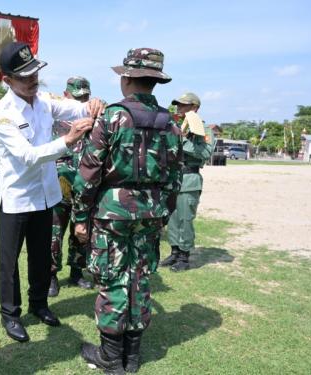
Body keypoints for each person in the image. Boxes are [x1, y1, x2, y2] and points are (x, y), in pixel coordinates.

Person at [73, 48, 182, 374]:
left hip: (112, 215)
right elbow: (175, 178)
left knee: (112, 281)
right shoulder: (170, 123)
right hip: (150, 215)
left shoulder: (111, 117)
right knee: (140, 278)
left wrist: (80, 217)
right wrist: (163, 214)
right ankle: (132, 358)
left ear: (127, 79)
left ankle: (110, 357)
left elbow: (88, 174)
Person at [0, 41, 103, 343]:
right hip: (17, 198)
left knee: (41, 256)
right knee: (9, 262)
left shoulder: (42, 100)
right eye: (24, 76)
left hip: (45, 196)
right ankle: (11, 314)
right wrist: (68, 139)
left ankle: (39, 304)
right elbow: (28, 156)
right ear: (7, 80)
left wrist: (92, 105)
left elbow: (74, 106)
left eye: (34, 73)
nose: (32, 80)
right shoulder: (3, 114)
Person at [48, 76, 94, 297]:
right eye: (77, 97)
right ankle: (51, 275)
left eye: (85, 96)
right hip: (60, 179)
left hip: (84, 180)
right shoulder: (56, 113)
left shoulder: (93, 116)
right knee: (54, 230)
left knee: (82, 228)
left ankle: (77, 271)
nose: (82, 100)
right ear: (66, 95)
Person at [161, 93, 215, 271]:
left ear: (195, 108)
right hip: (173, 180)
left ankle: (184, 256)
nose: (179, 109)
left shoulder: (204, 130)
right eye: (178, 105)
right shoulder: (175, 127)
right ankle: (175, 252)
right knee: (173, 219)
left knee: (185, 219)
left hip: (189, 179)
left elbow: (205, 153)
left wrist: (181, 141)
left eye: (184, 106)